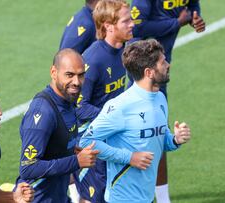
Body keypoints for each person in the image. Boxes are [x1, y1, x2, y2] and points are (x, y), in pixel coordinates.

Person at [79, 39, 191, 203]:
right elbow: (86, 142)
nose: (168, 65)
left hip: (146, 197)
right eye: (162, 62)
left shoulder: (159, 99)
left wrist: (175, 139)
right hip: (122, 199)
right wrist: (129, 157)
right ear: (149, 72)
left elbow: (159, 140)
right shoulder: (120, 106)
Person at [129, 1, 205, 202]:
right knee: (134, 137)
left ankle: (162, 199)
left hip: (159, 74)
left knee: (158, 134)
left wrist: (195, 17)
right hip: (139, 74)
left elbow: (192, 5)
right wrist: (176, 23)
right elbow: (137, 27)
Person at [15, 48, 99, 203]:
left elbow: (54, 147)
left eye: (81, 75)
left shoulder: (68, 102)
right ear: (54, 72)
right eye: (69, 75)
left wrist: (70, 152)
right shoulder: (43, 112)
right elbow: (28, 168)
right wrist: (76, 161)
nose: (76, 82)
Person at [75, 0, 134, 202]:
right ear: (109, 26)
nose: (132, 24)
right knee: (93, 197)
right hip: (90, 139)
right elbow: (78, 108)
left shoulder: (124, 50)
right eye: (126, 21)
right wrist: (112, 115)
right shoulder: (93, 60)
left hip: (112, 135)